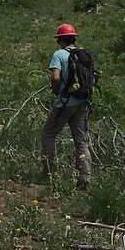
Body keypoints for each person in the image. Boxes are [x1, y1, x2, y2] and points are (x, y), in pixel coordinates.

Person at [40, 23, 92, 189]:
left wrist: (56, 91)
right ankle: (85, 178)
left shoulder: (59, 54)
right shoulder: (82, 54)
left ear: (59, 40)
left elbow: (55, 77)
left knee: (48, 133)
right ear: (74, 39)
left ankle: (49, 172)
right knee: (81, 140)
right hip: (82, 101)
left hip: (65, 102)